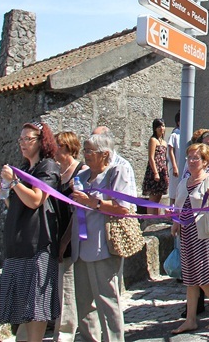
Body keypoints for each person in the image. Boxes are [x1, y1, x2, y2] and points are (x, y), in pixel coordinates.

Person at [0, 122, 61, 342]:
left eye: (28, 139)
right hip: (18, 244)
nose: (22, 143)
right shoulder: (24, 169)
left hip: (37, 246)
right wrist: (5, 191)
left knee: (36, 308)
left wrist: (14, 183)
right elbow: (17, 206)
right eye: (21, 139)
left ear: (41, 141)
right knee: (21, 310)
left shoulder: (47, 167)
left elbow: (36, 200)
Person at [69, 132, 137, 342]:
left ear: (105, 154)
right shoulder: (81, 176)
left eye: (90, 151)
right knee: (84, 302)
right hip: (80, 246)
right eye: (85, 150)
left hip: (103, 246)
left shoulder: (116, 172)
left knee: (107, 301)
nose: (86, 154)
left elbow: (123, 208)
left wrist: (93, 202)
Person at [171, 143, 209, 334]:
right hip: (187, 234)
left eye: (196, 158)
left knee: (204, 277)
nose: (191, 161)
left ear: (205, 161)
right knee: (190, 279)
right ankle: (190, 319)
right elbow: (179, 207)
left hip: (203, 235)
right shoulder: (184, 182)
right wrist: (175, 222)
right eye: (189, 157)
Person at [53, 131, 86, 342]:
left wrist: (65, 241)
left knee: (67, 288)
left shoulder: (80, 171)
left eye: (57, 145)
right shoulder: (56, 172)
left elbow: (79, 210)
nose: (53, 149)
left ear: (67, 148)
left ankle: (64, 335)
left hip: (73, 236)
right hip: (57, 236)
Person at [142, 118, 176, 215]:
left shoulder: (164, 142)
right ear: (155, 128)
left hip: (162, 170)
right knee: (153, 197)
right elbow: (151, 157)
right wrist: (155, 172)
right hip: (154, 171)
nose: (162, 128)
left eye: (163, 126)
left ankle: (156, 217)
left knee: (159, 197)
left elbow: (165, 158)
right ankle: (149, 218)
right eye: (159, 126)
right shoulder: (153, 140)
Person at [168, 112, 182, 205]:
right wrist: (174, 166)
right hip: (176, 167)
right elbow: (170, 150)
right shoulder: (175, 134)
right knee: (174, 192)